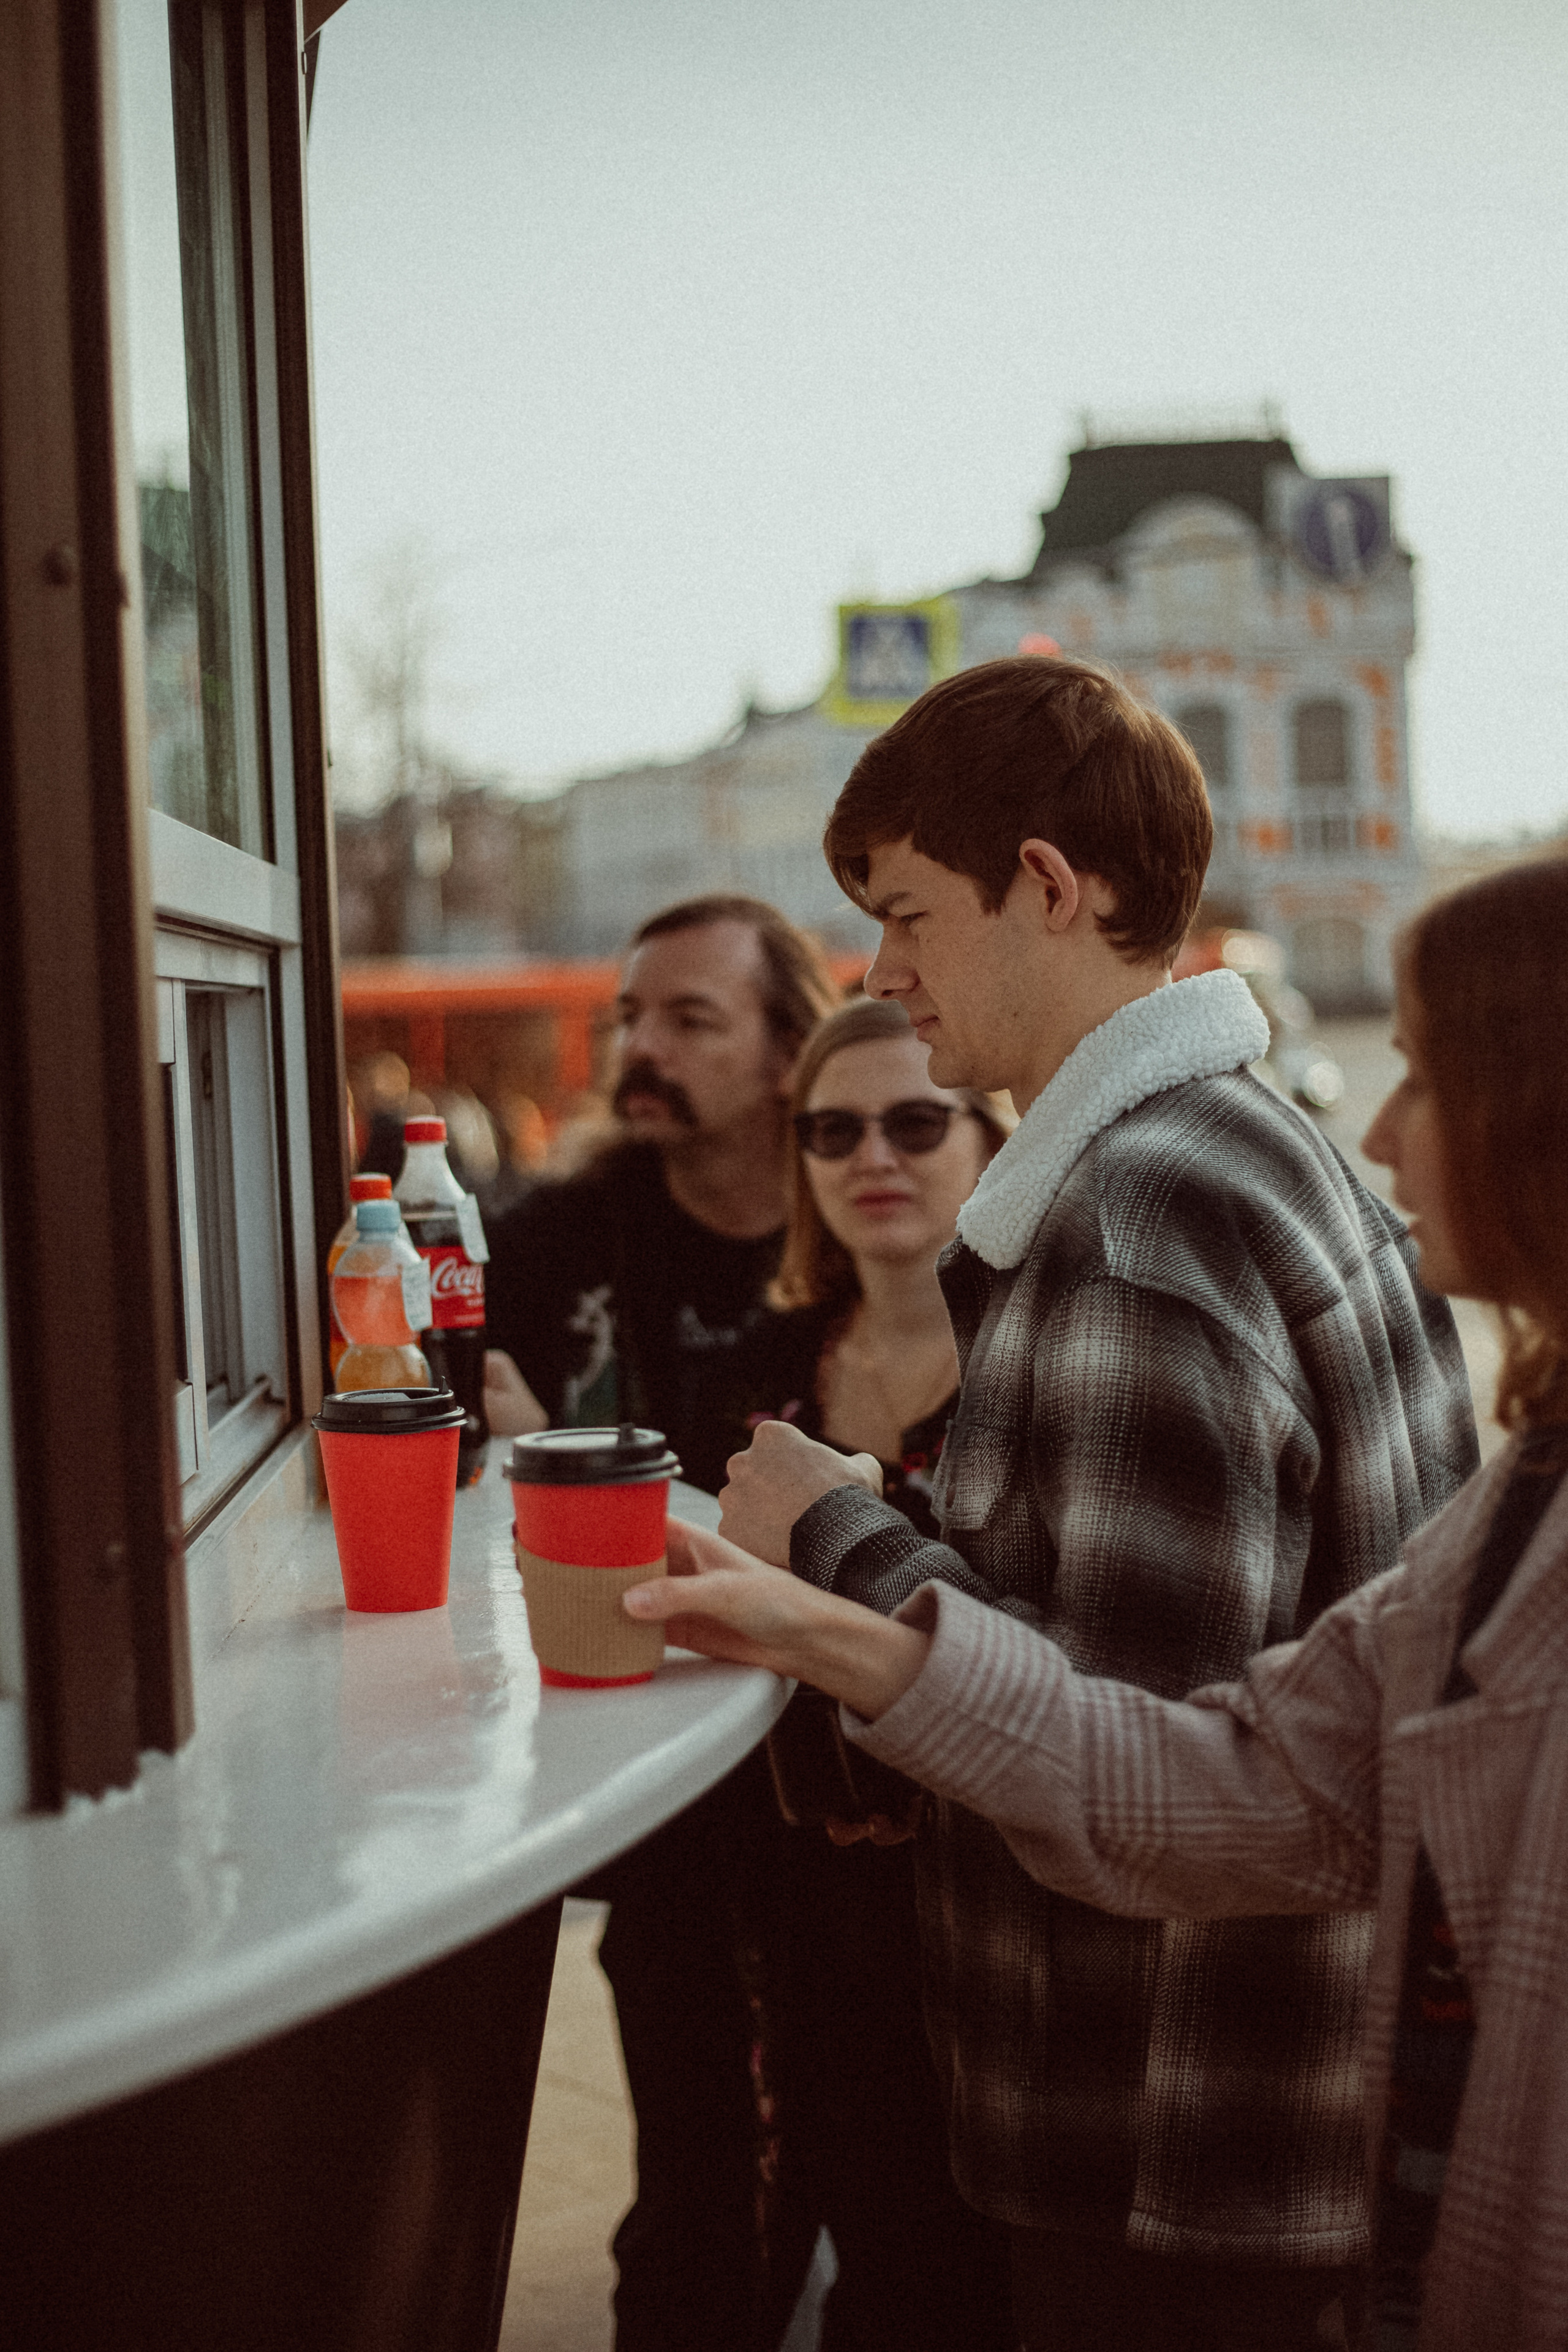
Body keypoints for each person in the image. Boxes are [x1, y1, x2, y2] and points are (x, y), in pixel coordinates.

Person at [626, 854, 1568, 2352]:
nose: (1382, 1134)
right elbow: (1237, 1779)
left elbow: (1159, 1726)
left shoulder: (1144, 1215)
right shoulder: (1528, 1500)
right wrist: (822, 1615)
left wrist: (844, 1556)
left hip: (1184, 2160)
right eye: (833, 1130)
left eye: (1428, 1078)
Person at [483, 894, 840, 2352]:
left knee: (859, 2189)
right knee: (696, 2200)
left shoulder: (857, 1223)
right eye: (632, 1015)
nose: (642, 1048)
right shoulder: (558, 1238)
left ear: (786, 1051)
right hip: (659, 1793)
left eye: (690, 1020)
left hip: (844, 1791)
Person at [739, 995, 1016, 2350]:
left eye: (915, 1121)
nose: (873, 1157)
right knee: (856, 2235)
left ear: (987, 1139)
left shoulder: (1037, 1362)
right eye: (832, 1131)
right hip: (806, 1897)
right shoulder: (767, 1369)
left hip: (996, 1899)